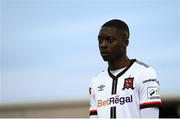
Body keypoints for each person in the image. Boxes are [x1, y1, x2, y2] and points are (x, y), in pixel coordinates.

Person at [89, 19, 161, 118]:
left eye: (110, 40)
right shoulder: (96, 81)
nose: (103, 45)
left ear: (125, 43)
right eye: (100, 40)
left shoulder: (145, 74)